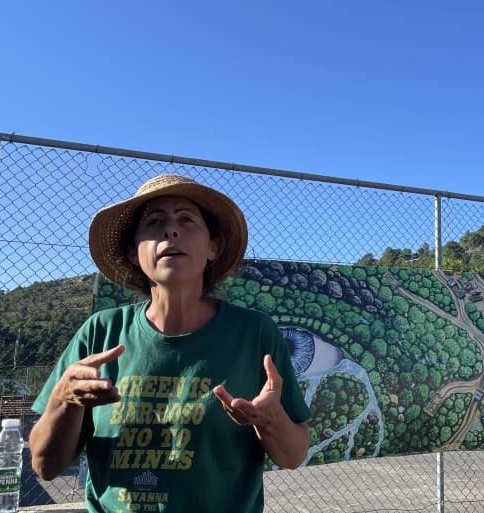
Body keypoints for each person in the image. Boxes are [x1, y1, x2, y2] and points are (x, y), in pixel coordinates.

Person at [29, 174, 311, 513]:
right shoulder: (100, 332)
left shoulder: (254, 333)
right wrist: (64, 400)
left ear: (213, 247)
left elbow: (293, 456)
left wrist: (271, 419)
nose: (170, 231)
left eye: (186, 219)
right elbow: (44, 466)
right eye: (154, 221)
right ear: (134, 253)